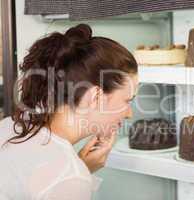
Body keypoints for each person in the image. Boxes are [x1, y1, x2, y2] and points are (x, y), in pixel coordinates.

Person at [0, 24, 138, 199]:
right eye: (128, 100)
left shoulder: (13, 124)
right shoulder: (70, 176)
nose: (129, 114)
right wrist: (76, 174)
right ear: (96, 96)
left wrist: (80, 169)